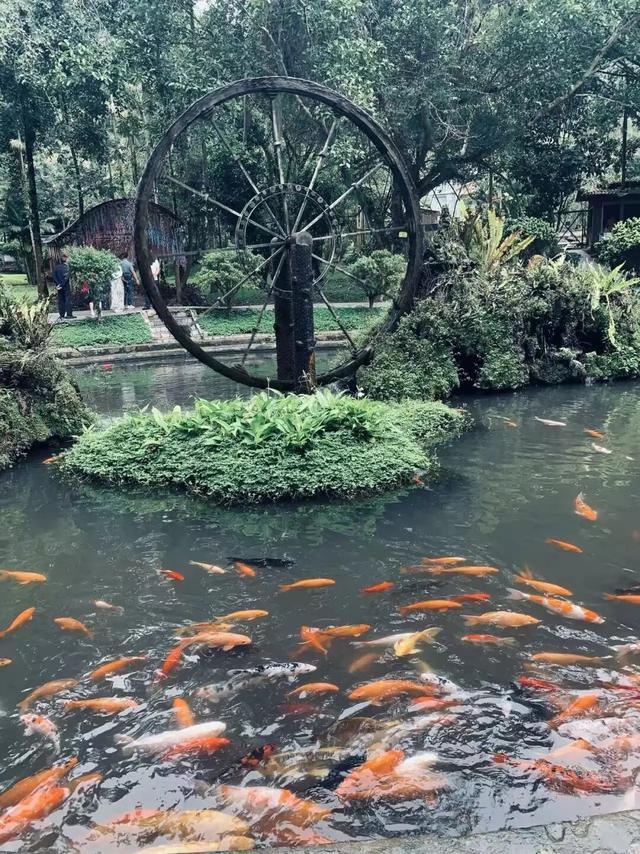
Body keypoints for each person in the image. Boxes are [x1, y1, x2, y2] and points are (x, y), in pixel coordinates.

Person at [52, 252, 75, 319]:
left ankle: (61, 314)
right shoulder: (67, 268)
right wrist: (62, 285)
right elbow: (66, 278)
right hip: (65, 286)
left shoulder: (56, 267)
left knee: (61, 300)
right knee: (68, 299)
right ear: (66, 259)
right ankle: (69, 314)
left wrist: (58, 284)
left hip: (59, 286)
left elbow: (54, 276)